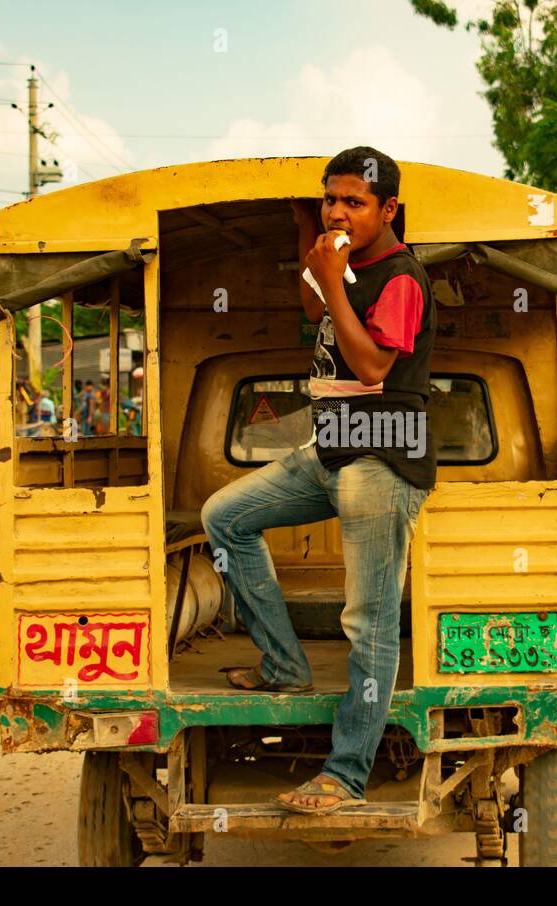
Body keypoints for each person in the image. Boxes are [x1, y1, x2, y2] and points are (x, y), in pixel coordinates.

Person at [201, 146, 436, 814]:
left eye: (354, 203)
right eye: (332, 199)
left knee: (368, 620)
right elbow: (313, 314)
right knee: (226, 517)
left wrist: (333, 278)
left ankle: (346, 770)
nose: (341, 212)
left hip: (383, 456)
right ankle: (284, 664)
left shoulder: (398, 278)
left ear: (388, 209)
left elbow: (371, 372)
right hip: (332, 446)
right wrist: (311, 235)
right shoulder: (346, 260)